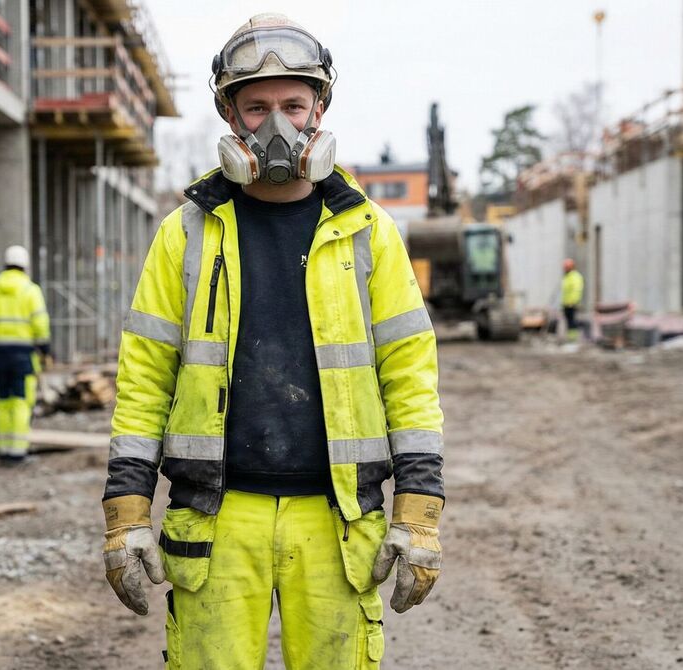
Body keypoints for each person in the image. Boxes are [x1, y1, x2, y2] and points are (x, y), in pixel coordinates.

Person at [101, 14, 444, 668]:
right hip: (218, 521)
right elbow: (144, 381)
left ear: (320, 109)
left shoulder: (369, 234)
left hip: (339, 521)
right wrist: (125, 513)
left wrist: (420, 511)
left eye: (293, 104)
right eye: (256, 106)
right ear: (230, 116)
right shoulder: (186, 234)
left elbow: (411, 380)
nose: (277, 124)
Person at [0, 245, 50, 465]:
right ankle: (18, 450)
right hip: (22, 353)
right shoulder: (30, 290)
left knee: (2, 401)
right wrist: (44, 347)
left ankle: (3, 448)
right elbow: (40, 322)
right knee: (20, 401)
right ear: (25, 266)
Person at [561, 258, 584, 341]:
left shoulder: (575, 276)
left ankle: (573, 339)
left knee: (572, 321)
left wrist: (573, 302)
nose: (565, 269)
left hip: (572, 303)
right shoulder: (567, 276)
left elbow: (576, 291)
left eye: (566, 267)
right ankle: (570, 338)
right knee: (568, 321)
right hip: (566, 303)